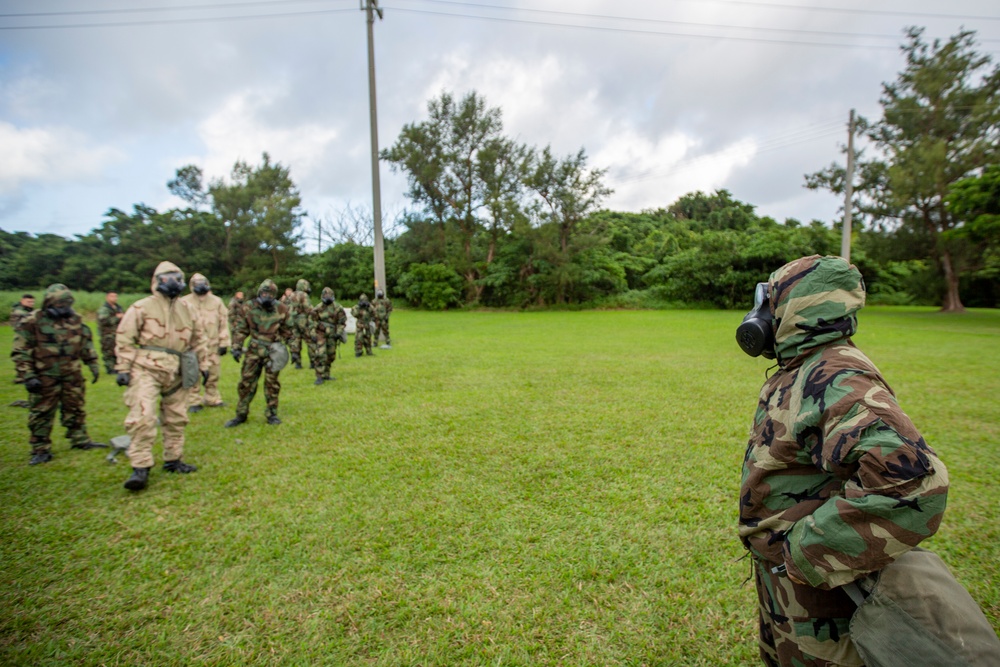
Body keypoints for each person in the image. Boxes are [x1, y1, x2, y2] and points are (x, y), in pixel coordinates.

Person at [736, 255, 949, 667]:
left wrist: (804, 551)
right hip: (790, 581)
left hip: (820, 594)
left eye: (770, 300)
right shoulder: (805, 365)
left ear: (797, 306)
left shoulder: (837, 376)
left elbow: (916, 484)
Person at [116, 262, 209, 491]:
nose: (173, 282)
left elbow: (199, 338)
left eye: (178, 278)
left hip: (179, 368)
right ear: (157, 280)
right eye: (168, 278)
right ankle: (140, 466)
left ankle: (173, 459)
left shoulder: (187, 309)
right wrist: (123, 368)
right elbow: (125, 338)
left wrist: (203, 364)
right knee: (144, 416)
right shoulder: (142, 307)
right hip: (146, 368)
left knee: (177, 416)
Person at [12, 284, 105, 465]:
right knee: (42, 411)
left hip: (72, 374)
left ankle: (79, 439)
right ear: (49, 303)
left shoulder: (76, 320)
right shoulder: (33, 321)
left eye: (67, 304)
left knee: (75, 406)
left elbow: (85, 343)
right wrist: (28, 375)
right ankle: (40, 448)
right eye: (60, 305)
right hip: (44, 376)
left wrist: (92, 363)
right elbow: (21, 350)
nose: (64, 308)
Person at [226, 279, 292, 427]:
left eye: (270, 294)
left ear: (274, 295)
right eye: (264, 293)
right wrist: (236, 347)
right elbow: (241, 329)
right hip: (254, 350)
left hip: (274, 350)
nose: (266, 296)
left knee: (272, 384)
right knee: (246, 383)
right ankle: (241, 414)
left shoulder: (282, 309)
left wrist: (293, 350)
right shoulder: (248, 307)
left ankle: (271, 413)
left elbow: (288, 331)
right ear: (259, 293)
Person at [180, 273, 231, 413]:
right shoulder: (184, 302)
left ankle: (212, 398)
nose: (200, 285)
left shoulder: (217, 301)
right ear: (191, 285)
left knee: (213, 373)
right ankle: (193, 400)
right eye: (197, 283)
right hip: (193, 346)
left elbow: (223, 322)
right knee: (193, 373)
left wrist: (224, 342)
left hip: (212, 344)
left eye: (202, 282)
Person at [309, 287, 347, 385]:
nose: (327, 297)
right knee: (320, 354)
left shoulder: (338, 308)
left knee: (331, 355)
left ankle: (326, 374)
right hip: (320, 333)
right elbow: (312, 321)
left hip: (332, 334)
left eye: (329, 295)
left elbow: (341, 322)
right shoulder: (317, 308)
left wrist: (338, 333)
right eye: (325, 295)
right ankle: (319, 376)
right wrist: (313, 333)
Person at [8, 293, 35, 408]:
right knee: (20, 356)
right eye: (29, 302)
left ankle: (22, 375)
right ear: (22, 301)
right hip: (21, 338)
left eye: (32, 302)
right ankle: (22, 376)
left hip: (26, 337)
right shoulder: (19, 311)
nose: (31, 304)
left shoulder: (27, 311)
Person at [96, 291, 124, 374]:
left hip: (117, 333)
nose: (114, 298)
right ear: (107, 297)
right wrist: (117, 318)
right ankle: (110, 369)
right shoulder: (104, 309)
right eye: (112, 296)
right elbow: (103, 321)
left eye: (115, 296)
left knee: (118, 351)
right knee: (108, 352)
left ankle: (117, 367)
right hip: (107, 334)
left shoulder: (118, 308)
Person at [288, 279, 313, 370]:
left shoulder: (291, 295)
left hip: (292, 320)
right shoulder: (304, 295)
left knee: (296, 341)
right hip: (303, 320)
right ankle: (313, 362)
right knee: (310, 340)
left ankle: (297, 363)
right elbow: (308, 308)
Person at [351, 293, 375, 357]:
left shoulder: (370, 307)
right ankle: (358, 352)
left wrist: (368, 308)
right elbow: (354, 314)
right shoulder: (357, 307)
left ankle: (369, 351)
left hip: (367, 325)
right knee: (359, 338)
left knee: (368, 338)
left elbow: (374, 314)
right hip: (360, 325)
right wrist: (359, 308)